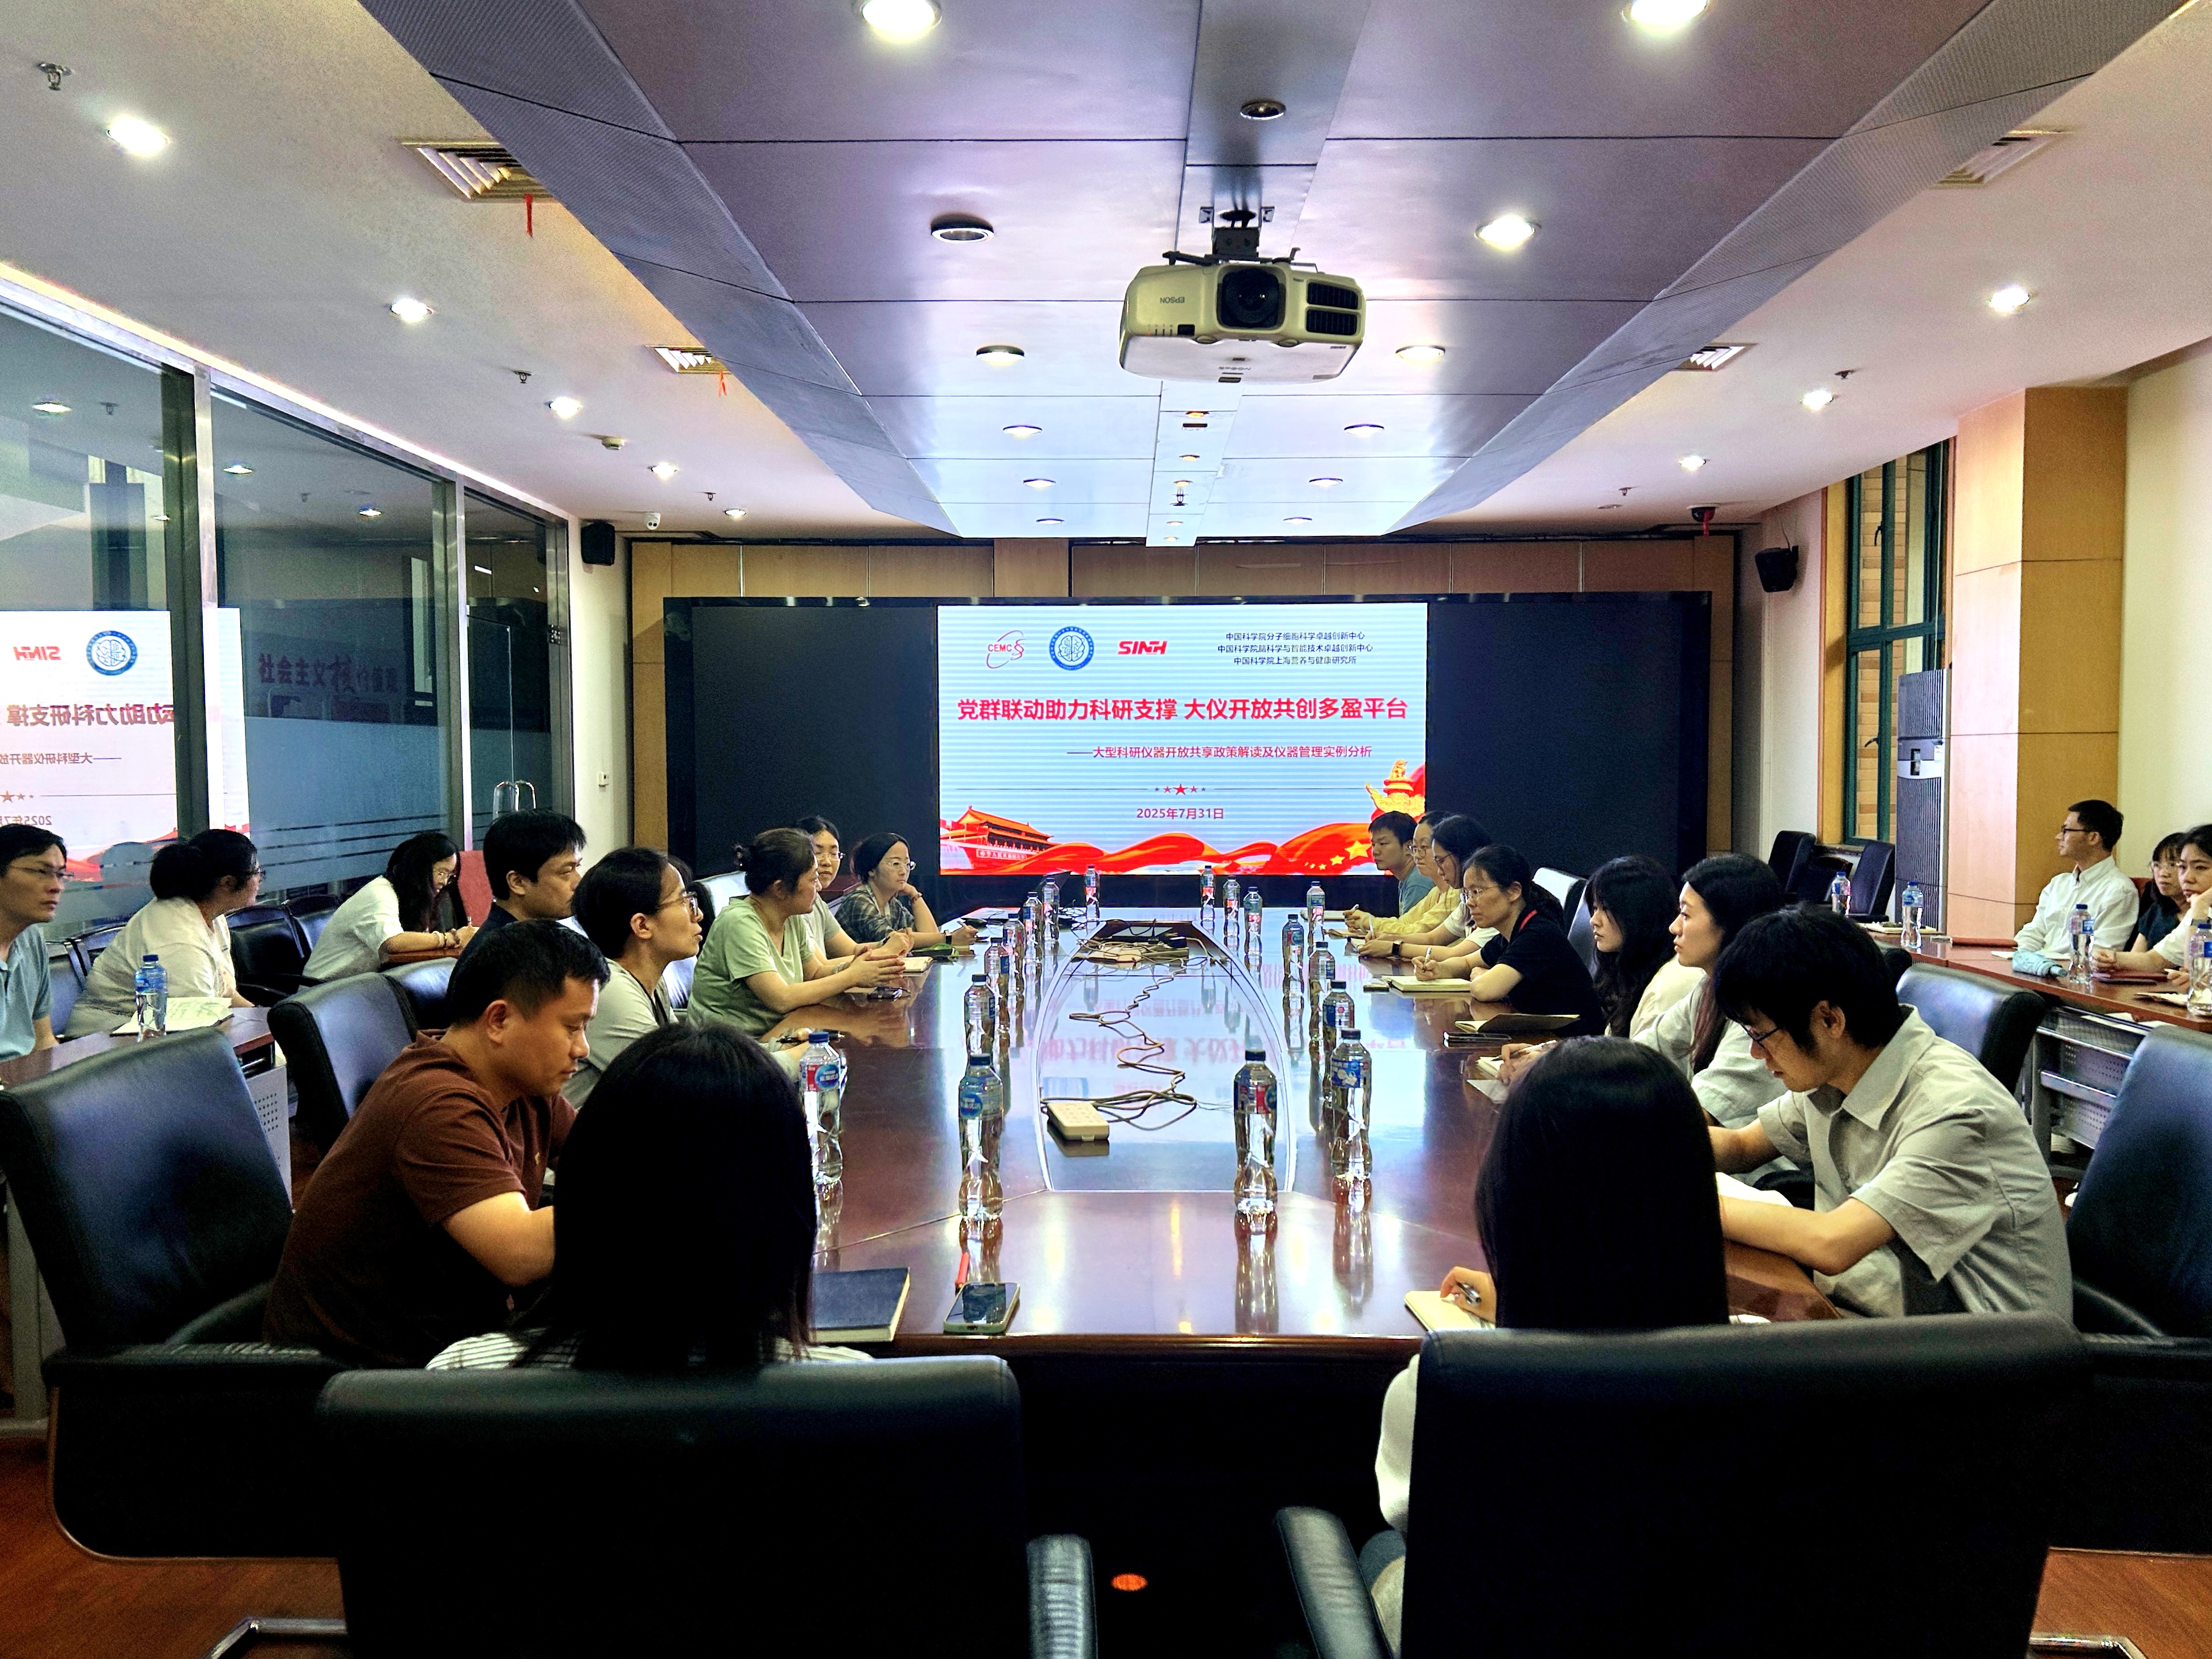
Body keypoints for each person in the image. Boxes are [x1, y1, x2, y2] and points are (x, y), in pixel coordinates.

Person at [1367, 1041, 1730, 1651]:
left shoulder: (1447, 1385)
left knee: (1383, 1551)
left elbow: (1423, 1533)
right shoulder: (1770, 1375)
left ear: (1506, 1199)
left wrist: (1530, 1292)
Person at [263, 921, 607, 1367]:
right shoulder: (437, 1104)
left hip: (446, 1344)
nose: (582, 1048)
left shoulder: (525, 1085)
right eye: (573, 1027)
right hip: (360, 1379)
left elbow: (607, 1159)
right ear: (499, 1020)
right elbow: (519, 1253)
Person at [429, 1023, 869, 1370]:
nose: (581, 1047)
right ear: (790, 1217)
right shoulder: (863, 1399)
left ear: (579, 1203)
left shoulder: (462, 1376)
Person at [1708, 907, 2070, 1320]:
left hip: (1986, 1347)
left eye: (1761, 1035)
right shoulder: (1837, 1073)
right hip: (1877, 1313)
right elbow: (1741, 1146)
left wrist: (1683, 1201)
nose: (1756, 1053)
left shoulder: (1956, 1108)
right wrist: (1654, 1144)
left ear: (1829, 1020)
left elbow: (1832, 1242)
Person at [690, 828, 903, 1037]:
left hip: (783, 1030)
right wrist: (851, 976)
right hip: (732, 1046)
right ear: (780, 888)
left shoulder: (791, 916)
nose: (819, 887)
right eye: (813, 879)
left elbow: (814, 973)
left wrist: (855, 968)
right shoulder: (739, 923)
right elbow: (781, 999)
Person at [1634, 854, 1789, 1136]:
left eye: (1686, 915)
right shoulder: (1709, 988)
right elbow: (1643, 1053)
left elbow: (1697, 1119)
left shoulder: (1761, 1012)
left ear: (1729, 923)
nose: (1674, 927)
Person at [63, 829, 261, 1037]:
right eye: (256, 872)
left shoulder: (212, 914)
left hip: (165, 1032)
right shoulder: (178, 937)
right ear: (227, 883)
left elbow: (225, 992)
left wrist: (264, 1020)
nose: (260, 880)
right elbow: (197, 1028)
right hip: (110, 1035)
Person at [1415, 844, 1605, 1036]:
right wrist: (1438, 969)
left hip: (1577, 1042)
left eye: (1477, 892)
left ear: (1514, 891)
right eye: (1467, 894)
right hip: (1545, 1036)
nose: (1470, 902)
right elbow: (1466, 963)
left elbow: (1484, 989)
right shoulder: (1510, 933)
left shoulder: (1538, 933)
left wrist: (1482, 975)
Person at [565, 846, 704, 1105]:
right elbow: (681, 1086)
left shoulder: (650, 981)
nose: (698, 914)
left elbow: (684, 1057)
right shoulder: (610, 989)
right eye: (684, 902)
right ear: (642, 925)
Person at [302, 829, 474, 982]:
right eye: (441, 872)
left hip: (356, 987)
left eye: (450, 876)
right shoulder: (379, 893)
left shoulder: (410, 898)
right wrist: (451, 938)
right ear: (420, 868)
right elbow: (392, 942)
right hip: (320, 995)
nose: (444, 882)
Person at [451, 810, 588, 976]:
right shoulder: (503, 958)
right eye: (566, 871)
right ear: (518, 883)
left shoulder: (534, 939)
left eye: (577, 867)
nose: (578, 882)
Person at [2011, 798, 2138, 974]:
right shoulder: (2058, 884)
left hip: (2074, 976)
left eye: (2066, 830)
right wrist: (2019, 956)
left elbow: (2100, 954)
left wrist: (2044, 963)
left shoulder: (2119, 891)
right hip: (2039, 969)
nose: (2059, 837)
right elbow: (2034, 931)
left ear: (2093, 837)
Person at [1354, 814, 1497, 964]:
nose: (1440, 871)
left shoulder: (1485, 905)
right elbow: (1432, 937)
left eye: (1441, 860)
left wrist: (1394, 947)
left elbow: (1457, 954)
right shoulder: (1464, 899)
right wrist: (1388, 939)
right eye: (1415, 848)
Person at [1581, 854, 1697, 1040]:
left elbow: (1634, 1057)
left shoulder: (1665, 987)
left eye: (1606, 909)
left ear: (1638, 913)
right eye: (1595, 908)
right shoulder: (1633, 968)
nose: (1594, 920)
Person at [2096, 822, 2212, 977]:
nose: (2187, 878)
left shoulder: (2200, 908)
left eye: (2200, 867)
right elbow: (2156, 960)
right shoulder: (2200, 909)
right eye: (2183, 867)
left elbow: (2197, 976)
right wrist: (2112, 958)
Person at [834, 833, 977, 950]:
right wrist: (949, 938)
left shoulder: (893, 905)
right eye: (896, 864)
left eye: (907, 864)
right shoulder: (859, 901)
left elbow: (929, 935)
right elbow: (893, 941)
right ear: (872, 869)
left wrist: (914, 894)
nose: (903, 871)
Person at [795, 815, 904, 967]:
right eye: (818, 852)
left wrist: (887, 943)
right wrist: (884, 951)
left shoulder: (818, 902)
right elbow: (820, 968)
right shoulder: (795, 908)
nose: (827, 862)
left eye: (834, 854)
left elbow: (851, 949)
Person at [0, 826, 66, 1060]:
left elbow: (44, 1040)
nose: (56, 887)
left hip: (25, 1077)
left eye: (60, 875)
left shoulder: (31, 938)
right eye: (41, 871)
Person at [1347, 811, 1462, 942]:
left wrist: (1367, 922)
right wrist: (1367, 922)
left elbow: (1417, 933)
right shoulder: (1436, 892)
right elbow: (1404, 923)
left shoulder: (1452, 893)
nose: (1417, 855)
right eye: (1415, 847)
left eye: (1424, 847)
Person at [2127, 831, 2187, 954]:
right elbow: (2135, 958)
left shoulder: (2203, 913)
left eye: (2172, 865)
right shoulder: (2157, 910)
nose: (2163, 874)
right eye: (2157, 865)